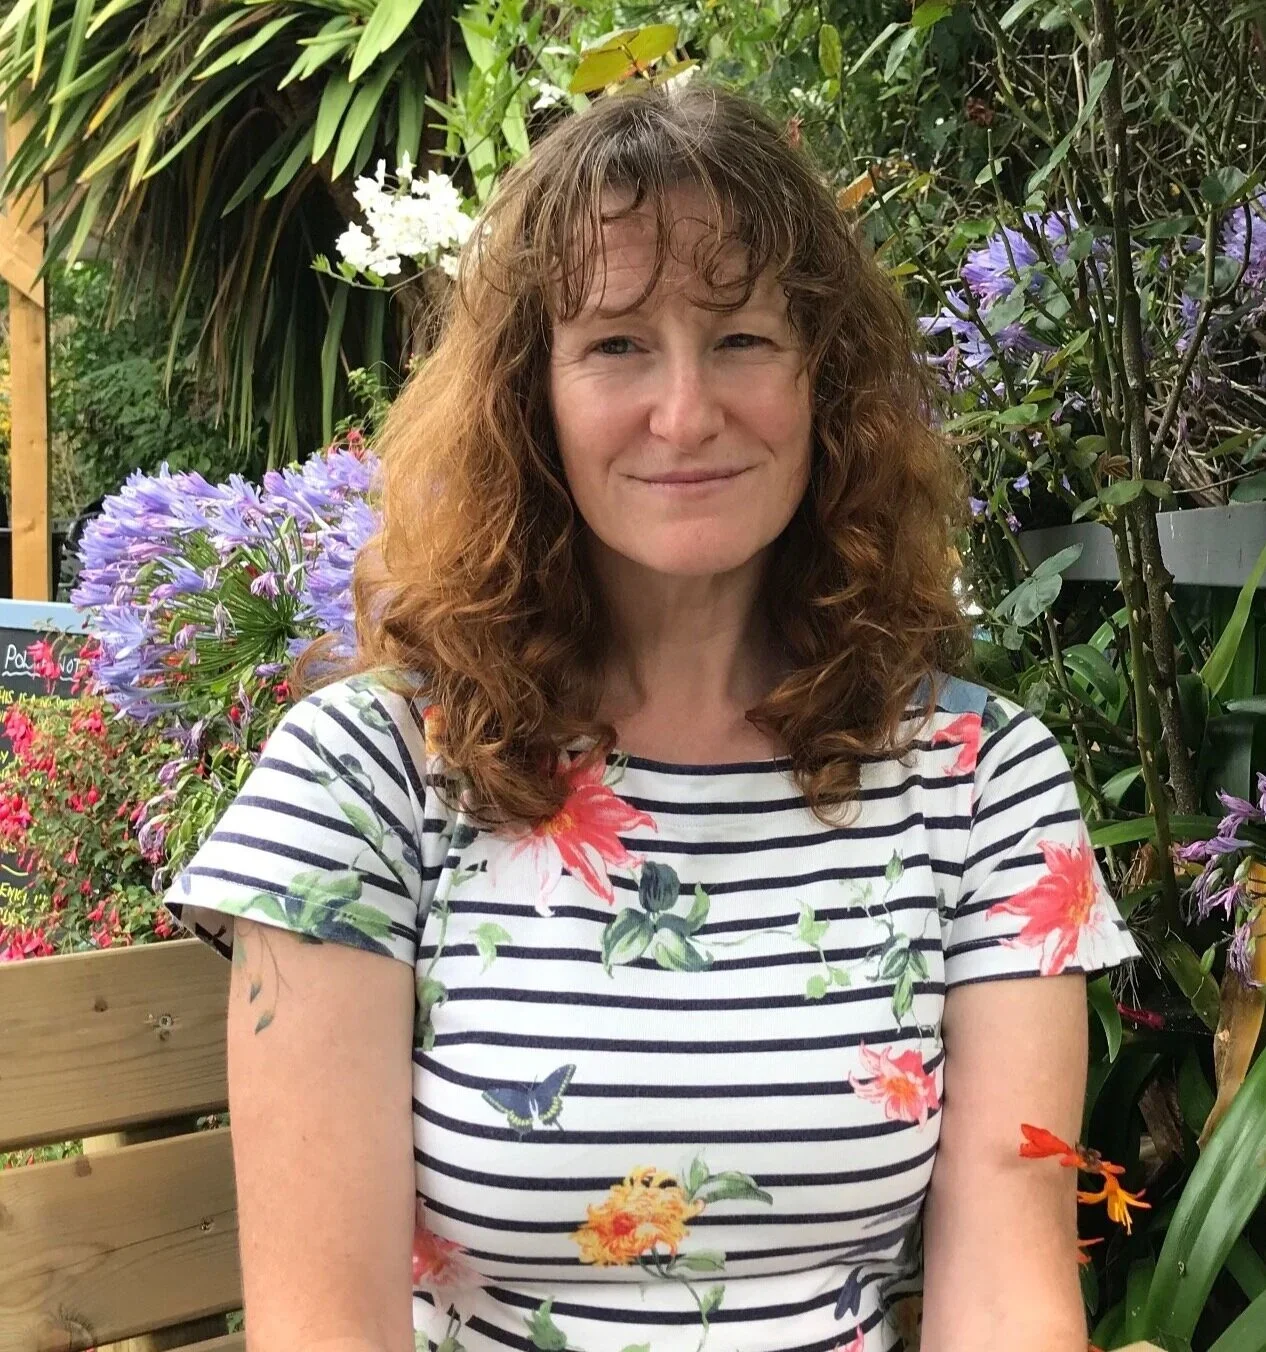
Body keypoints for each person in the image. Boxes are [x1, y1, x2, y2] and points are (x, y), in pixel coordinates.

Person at [163, 82, 1138, 1352]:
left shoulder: (983, 780)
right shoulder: (365, 776)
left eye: (743, 339)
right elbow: (324, 1329)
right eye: (617, 344)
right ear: (532, 397)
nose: (686, 412)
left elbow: (1008, 1295)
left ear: (826, 380)